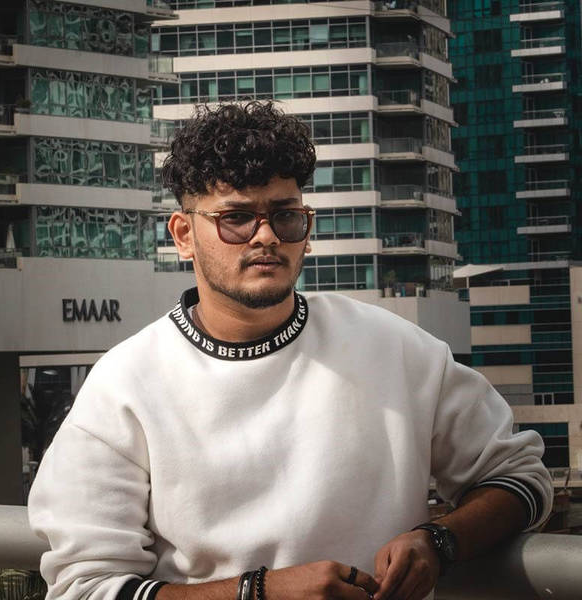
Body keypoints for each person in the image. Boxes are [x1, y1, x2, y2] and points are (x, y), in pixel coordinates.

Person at [28, 102, 552, 600]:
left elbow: (521, 478)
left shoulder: (396, 348)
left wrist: (440, 542)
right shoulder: (124, 385)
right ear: (184, 234)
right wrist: (258, 592)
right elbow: (84, 588)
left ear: (307, 227)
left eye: (285, 216)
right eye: (236, 218)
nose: (266, 237)